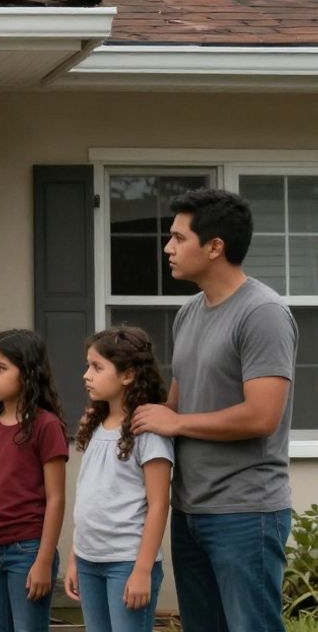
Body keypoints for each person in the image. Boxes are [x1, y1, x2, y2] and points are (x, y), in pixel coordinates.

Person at [131, 188, 297, 632]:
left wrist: (176, 421)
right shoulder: (189, 313)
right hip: (191, 510)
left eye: (178, 238)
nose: (167, 248)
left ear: (215, 246)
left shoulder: (262, 313)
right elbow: (175, 404)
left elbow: (262, 416)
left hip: (246, 511)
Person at [64, 327, 172, 632]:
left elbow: (159, 504)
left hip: (127, 563)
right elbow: (89, 498)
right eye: (88, 366)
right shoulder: (95, 425)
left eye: (97, 367)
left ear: (128, 375)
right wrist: (75, 557)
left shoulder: (146, 431)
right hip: (88, 560)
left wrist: (142, 571)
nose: (86, 375)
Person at [0, 329, 69, 632]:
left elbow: (56, 498)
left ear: (28, 373)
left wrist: (43, 561)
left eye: (0, 368)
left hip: (27, 551)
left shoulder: (46, 426)